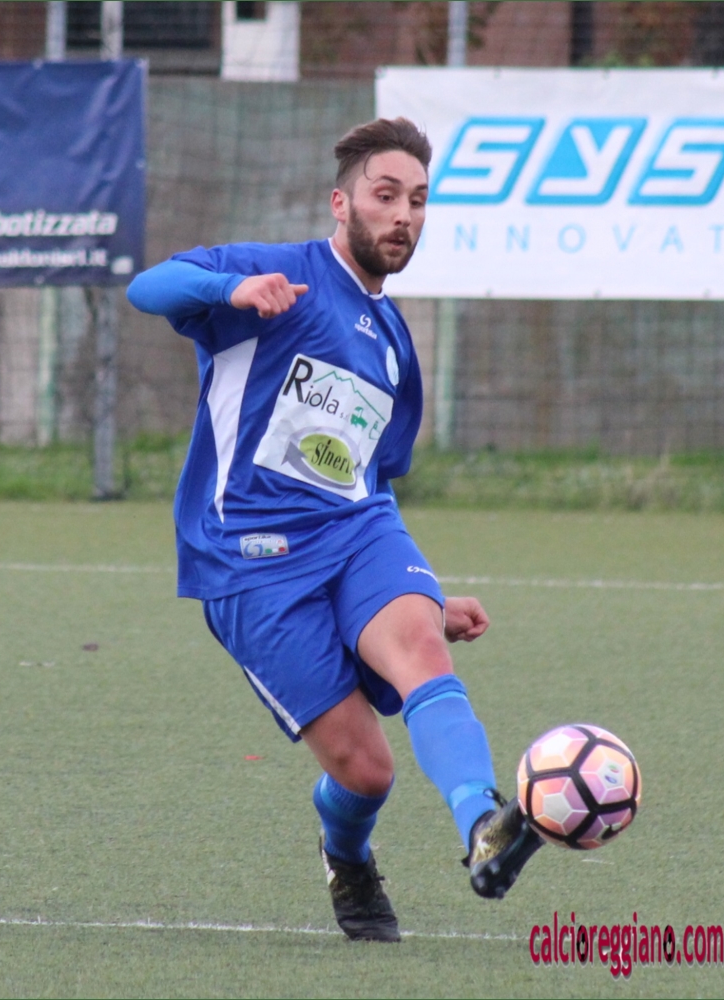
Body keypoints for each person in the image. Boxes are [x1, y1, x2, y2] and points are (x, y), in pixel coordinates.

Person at [127, 117, 543, 943]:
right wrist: (230, 292)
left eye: (417, 201)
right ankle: (346, 856)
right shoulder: (278, 274)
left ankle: (483, 823)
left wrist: (426, 596)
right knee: (366, 773)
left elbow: (365, 476)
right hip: (251, 559)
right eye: (386, 196)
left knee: (422, 647)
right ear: (341, 202)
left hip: (357, 531)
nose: (403, 216)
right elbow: (150, 286)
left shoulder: (393, 342)